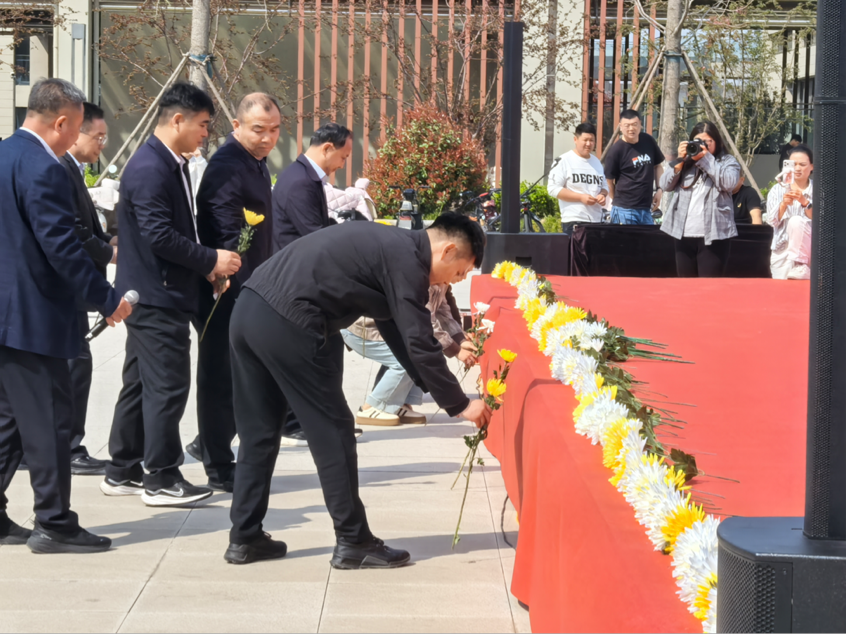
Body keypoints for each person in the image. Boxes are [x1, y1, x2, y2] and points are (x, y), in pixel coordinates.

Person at [224, 214, 491, 566]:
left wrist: (434, 388)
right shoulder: (407, 260)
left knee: (258, 432)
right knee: (333, 431)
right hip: (290, 321)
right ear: (448, 250)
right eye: (459, 272)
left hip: (248, 311)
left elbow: (396, 328)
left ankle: (245, 537)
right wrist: (460, 404)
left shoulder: (389, 246)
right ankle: (353, 540)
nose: (455, 280)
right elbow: (418, 338)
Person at [0, 78, 131, 553]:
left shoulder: (3, 154)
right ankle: (54, 522)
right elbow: (62, 247)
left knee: (9, 420)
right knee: (52, 421)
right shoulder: (46, 168)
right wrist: (107, 298)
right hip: (35, 318)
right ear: (60, 123)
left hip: (6, 314)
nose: (77, 137)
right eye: (77, 128)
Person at [102, 83, 242, 507]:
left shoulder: (168, 162)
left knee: (140, 384)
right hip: (156, 293)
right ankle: (161, 477)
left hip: (153, 289)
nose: (206, 133)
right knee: (167, 385)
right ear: (178, 119)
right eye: (203, 124)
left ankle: (123, 468)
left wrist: (204, 269)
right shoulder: (151, 167)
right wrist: (212, 259)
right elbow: (160, 236)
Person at [185, 93, 280, 493]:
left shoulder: (255, 161)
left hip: (251, 284)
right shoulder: (227, 164)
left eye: (274, 130)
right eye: (258, 130)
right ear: (237, 126)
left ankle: (211, 446)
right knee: (220, 378)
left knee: (240, 377)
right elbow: (223, 229)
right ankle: (218, 465)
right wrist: (230, 282)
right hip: (226, 287)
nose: (267, 138)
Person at [271, 122, 354, 447]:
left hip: (301, 278)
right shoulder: (300, 182)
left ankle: (317, 418)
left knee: (325, 349)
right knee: (313, 353)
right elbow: (314, 235)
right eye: (343, 156)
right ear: (328, 148)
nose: (343, 164)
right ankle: (299, 421)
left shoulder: (305, 177)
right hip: (296, 283)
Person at [60, 102, 117, 477]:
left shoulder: (73, 169)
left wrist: (107, 241)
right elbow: (73, 232)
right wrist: (108, 252)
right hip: (66, 289)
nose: (101, 145)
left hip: (72, 289)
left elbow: (86, 225)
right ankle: (67, 446)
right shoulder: (59, 169)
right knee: (75, 365)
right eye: (98, 137)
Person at [343, 283, 477, 426]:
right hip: (365, 331)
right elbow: (427, 322)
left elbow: (443, 313)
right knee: (411, 358)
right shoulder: (422, 281)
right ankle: (371, 408)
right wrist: (456, 351)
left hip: (390, 330)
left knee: (417, 351)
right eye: (460, 272)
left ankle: (398, 404)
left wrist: (460, 340)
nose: (462, 277)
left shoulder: (441, 281)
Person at [659, 121, 741, 277]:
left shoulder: (727, 161)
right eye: (698, 141)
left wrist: (705, 158)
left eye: (707, 142)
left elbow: (729, 183)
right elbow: (664, 185)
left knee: (709, 288)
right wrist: (679, 161)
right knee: (686, 287)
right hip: (683, 234)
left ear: (717, 142)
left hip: (714, 236)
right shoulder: (685, 162)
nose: (702, 145)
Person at [604, 109, 665, 225]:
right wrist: (618, 202)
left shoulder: (648, 140)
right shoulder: (616, 150)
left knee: (649, 237)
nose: (631, 129)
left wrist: (659, 189)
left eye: (634, 124)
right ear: (620, 127)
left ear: (640, 125)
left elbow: (658, 166)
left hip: (646, 209)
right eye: (627, 125)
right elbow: (609, 181)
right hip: (625, 210)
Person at [547, 121, 608, 236]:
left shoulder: (596, 162)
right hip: (574, 221)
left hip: (597, 221)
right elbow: (553, 189)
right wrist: (581, 197)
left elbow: (604, 186)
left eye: (592, 140)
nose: (589, 144)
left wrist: (602, 195)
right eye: (585, 140)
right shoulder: (563, 160)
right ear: (575, 139)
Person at [767, 144, 813, 280]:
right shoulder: (777, 189)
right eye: (793, 164)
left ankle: (801, 263)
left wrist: (805, 202)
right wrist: (783, 204)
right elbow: (772, 221)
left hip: (810, 252)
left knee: (796, 220)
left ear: (812, 166)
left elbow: (823, 221)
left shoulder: (819, 190)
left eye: (802, 164)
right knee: (781, 292)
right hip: (782, 251)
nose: (797, 168)